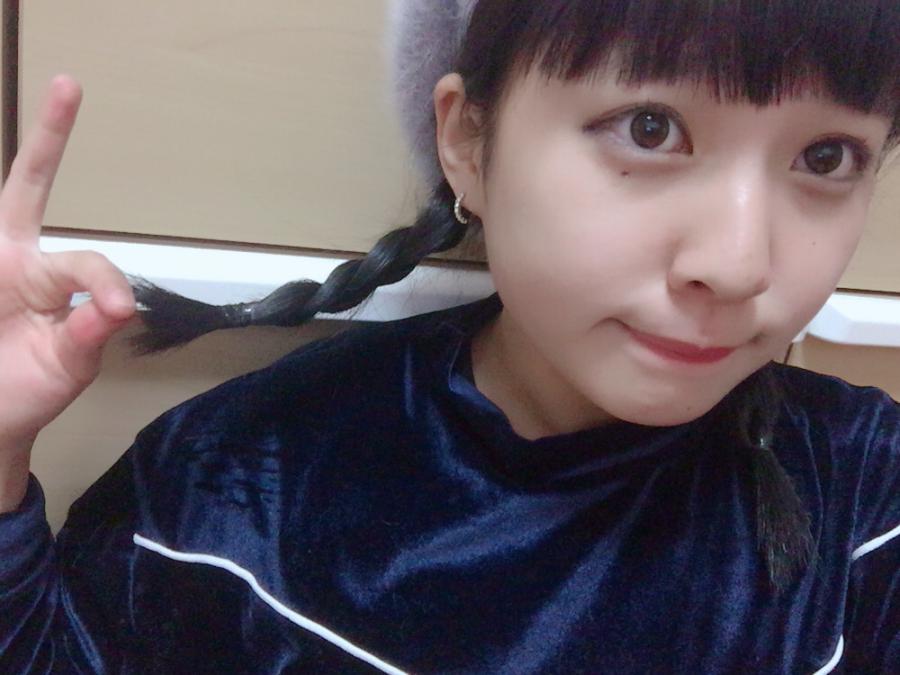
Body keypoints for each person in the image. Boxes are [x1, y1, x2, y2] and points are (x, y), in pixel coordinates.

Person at [1, 0, 899, 672]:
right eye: (650, 128)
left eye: (827, 158)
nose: (738, 263)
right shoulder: (239, 488)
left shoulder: (870, 498)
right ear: (469, 139)